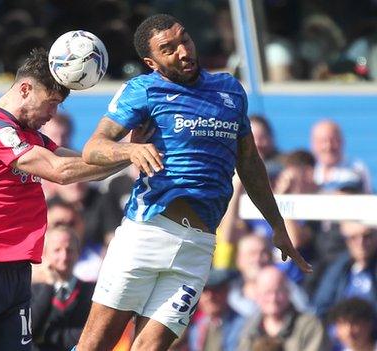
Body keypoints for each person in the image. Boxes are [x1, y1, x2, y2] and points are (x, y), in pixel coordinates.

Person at [75, 14, 311, 350]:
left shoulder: (229, 90)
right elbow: (93, 148)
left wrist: (277, 226)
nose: (183, 52)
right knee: (95, 346)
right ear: (151, 62)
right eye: (168, 49)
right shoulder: (143, 90)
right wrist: (129, 150)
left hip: (198, 248)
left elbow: (249, 163)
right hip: (147, 233)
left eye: (185, 39)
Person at [0, 48, 140, 351]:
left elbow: (89, 169)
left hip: (16, 274)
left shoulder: (28, 135)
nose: (53, 115)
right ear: (25, 89)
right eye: (51, 104)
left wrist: (130, 149)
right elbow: (60, 171)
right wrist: (129, 152)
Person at [31, 226, 95, 351]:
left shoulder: (91, 292)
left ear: (78, 252)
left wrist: (48, 336)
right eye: (57, 250)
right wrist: (48, 287)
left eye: (69, 250)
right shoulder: (32, 291)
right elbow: (30, 330)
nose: (64, 256)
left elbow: (89, 334)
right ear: (45, 253)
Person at [238, 266, 328, 351]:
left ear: (288, 291)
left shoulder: (309, 326)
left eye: (278, 291)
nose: (273, 298)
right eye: (267, 292)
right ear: (257, 295)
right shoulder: (249, 330)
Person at [311, 119, 372, 194]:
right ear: (313, 144)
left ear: (342, 141)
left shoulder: (356, 168)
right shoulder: (308, 172)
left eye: (333, 140)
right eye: (323, 141)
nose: (328, 146)